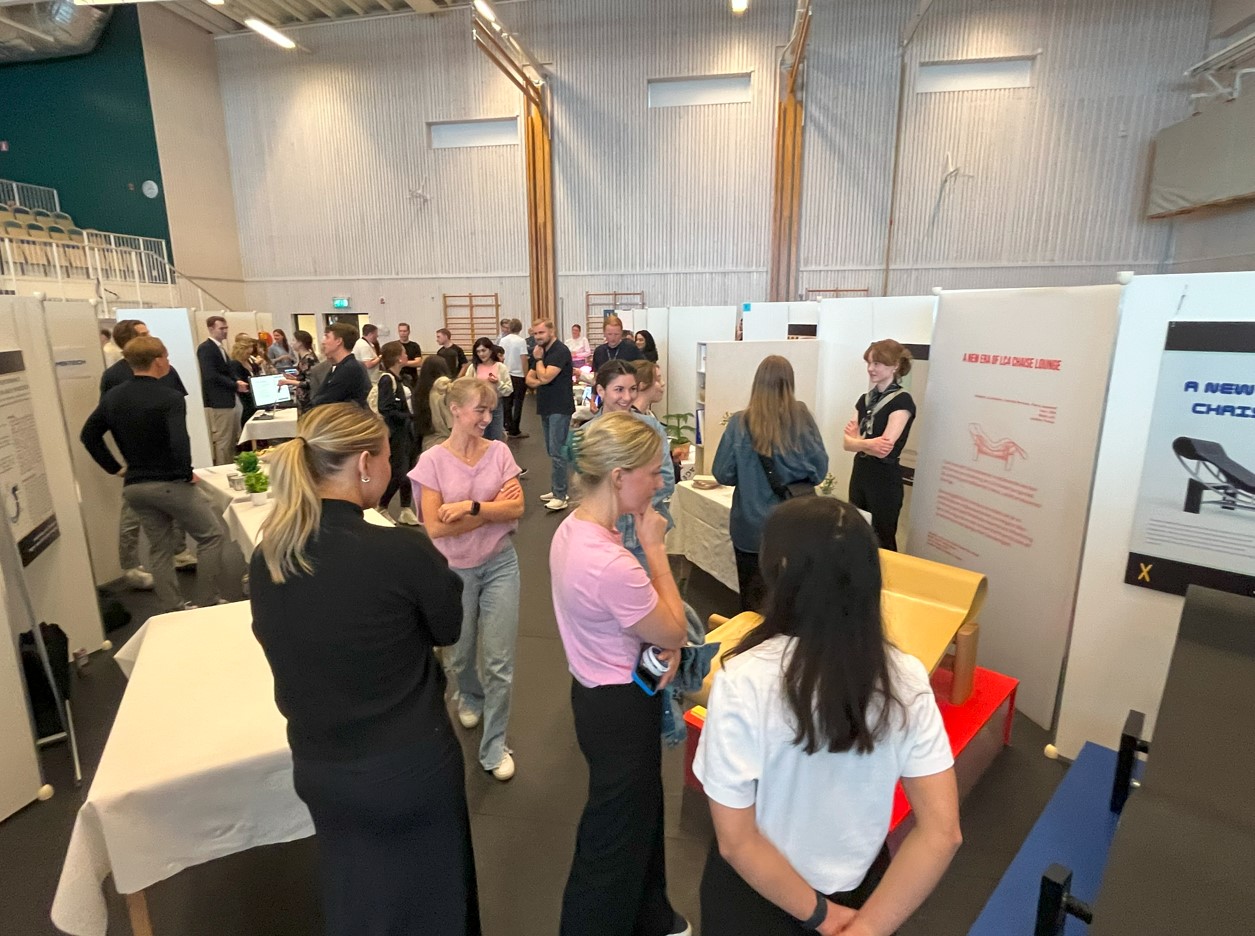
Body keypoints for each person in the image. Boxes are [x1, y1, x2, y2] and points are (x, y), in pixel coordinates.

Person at [249, 403, 478, 936]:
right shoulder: (401, 552)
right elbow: (447, 628)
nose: (393, 466)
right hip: (409, 765)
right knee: (437, 903)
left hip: (319, 767)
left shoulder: (270, 558)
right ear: (364, 464)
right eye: (388, 456)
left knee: (355, 898)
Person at [693, 498, 961, 936]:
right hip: (862, 894)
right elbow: (942, 832)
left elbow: (737, 841)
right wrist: (867, 927)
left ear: (780, 571)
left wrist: (823, 916)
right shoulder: (905, 676)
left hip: (758, 898)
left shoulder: (744, 678)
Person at [550, 412, 692, 936]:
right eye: (652, 473)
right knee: (612, 837)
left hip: (598, 695)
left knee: (641, 813)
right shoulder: (613, 563)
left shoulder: (573, 531)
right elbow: (675, 629)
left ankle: (653, 915)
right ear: (618, 477)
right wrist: (654, 547)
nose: (658, 484)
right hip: (620, 708)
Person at [411, 378, 524, 782]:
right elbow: (436, 528)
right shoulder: (432, 462)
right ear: (455, 409)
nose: (488, 418)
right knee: (459, 656)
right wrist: (494, 510)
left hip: (501, 564)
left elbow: (518, 507)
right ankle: (470, 694)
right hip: (454, 571)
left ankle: (494, 746)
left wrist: (470, 507)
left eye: (491, 410)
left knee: (499, 662)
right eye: (481, 409)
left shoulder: (499, 452)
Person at [81, 336, 225, 612]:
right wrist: (185, 473)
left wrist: (115, 468)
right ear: (158, 361)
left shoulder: (113, 397)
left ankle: (174, 607)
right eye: (166, 357)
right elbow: (179, 441)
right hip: (169, 482)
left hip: (136, 486)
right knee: (211, 536)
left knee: (159, 548)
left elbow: (89, 436)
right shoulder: (170, 397)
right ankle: (208, 600)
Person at [711, 355, 828, 613]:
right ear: (790, 383)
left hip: (750, 529)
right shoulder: (802, 419)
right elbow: (819, 471)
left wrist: (747, 474)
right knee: (792, 602)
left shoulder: (739, 423)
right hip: (795, 525)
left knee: (753, 604)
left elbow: (722, 473)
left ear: (756, 383)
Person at [100, 319, 196, 586]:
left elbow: (177, 405)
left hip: (168, 452)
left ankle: (179, 551)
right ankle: (130, 565)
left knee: (177, 506)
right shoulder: (113, 376)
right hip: (139, 456)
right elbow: (105, 418)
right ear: (127, 340)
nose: (149, 336)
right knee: (132, 514)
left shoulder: (166, 369)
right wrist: (117, 465)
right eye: (143, 333)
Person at [590, 361, 676, 574]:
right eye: (619, 389)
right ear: (601, 390)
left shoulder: (650, 428)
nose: (627, 397)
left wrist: (624, 503)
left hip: (644, 536)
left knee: (652, 588)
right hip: (604, 536)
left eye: (633, 389)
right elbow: (586, 489)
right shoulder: (587, 435)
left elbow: (666, 478)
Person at [843, 340, 917, 552]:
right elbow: (846, 444)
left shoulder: (902, 401)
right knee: (857, 532)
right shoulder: (864, 400)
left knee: (883, 538)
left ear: (895, 366)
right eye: (869, 363)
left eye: (877, 363)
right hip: (860, 473)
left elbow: (884, 449)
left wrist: (858, 442)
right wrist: (867, 443)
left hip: (884, 479)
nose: (871, 368)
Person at [525, 319, 575, 512]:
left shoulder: (559, 351)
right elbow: (530, 379)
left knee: (557, 452)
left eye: (541, 333)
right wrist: (541, 379)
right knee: (551, 450)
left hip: (559, 407)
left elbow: (545, 377)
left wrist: (539, 364)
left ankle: (561, 495)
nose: (538, 337)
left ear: (551, 331)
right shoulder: (540, 351)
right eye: (535, 333)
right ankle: (557, 489)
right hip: (546, 406)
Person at [377, 341, 420, 526]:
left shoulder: (402, 378)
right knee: (399, 472)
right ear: (396, 358)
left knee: (410, 471)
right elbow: (385, 408)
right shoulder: (387, 379)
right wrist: (408, 416)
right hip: (397, 432)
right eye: (403, 353)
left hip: (408, 430)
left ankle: (406, 508)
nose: (406, 355)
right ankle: (382, 506)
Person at [197, 315, 249, 465]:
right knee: (224, 441)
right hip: (220, 400)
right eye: (221, 328)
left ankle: (229, 466)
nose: (225, 331)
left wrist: (236, 381)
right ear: (211, 329)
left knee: (231, 440)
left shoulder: (220, 348)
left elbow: (227, 371)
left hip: (229, 399)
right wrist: (234, 385)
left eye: (226, 328)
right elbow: (211, 375)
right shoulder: (206, 348)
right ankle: (222, 469)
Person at [311, 323, 372, 409]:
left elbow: (328, 399)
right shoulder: (340, 367)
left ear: (338, 341)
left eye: (327, 337)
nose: (323, 342)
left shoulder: (350, 369)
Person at [468, 337, 511, 443]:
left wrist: (498, 383)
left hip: (495, 405)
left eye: (484, 350)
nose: (481, 354)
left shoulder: (501, 367)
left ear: (491, 350)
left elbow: (509, 390)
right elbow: (466, 386)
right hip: (477, 406)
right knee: (479, 438)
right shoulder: (473, 367)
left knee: (496, 438)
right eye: (478, 351)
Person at [416, 355, 454, 452]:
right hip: (447, 443)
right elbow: (451, 423)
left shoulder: (420, 393)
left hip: (427, 442)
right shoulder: (445, 391)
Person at [499, 319, 529, 439]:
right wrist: (526, 375)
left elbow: (500, 357)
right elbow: (523, 359)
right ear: (520, 328)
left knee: (507, 402)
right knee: (518, 403)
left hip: (506, 373)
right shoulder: (521, 341)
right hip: (519, 375)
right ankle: (515, 430)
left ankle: (507, 426)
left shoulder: (503, 340)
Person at [280, 329, 321, 413]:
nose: (291, 343)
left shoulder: (308, 359)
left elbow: (310, 382)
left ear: (300, 343)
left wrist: (288, 382)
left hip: (308, 401)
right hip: (303, 401)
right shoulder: (303, 359)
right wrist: (295, 379)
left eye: (293, 340)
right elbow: (305, 377)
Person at [397, 322, 422, 389]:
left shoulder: (415, 346)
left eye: (404, 331)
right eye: (400, 331)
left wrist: (403, 363)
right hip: (398, 377)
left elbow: (418, 362)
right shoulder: (395, 346)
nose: (402, 333)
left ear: (408, 332)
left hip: (412, 378)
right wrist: (410, 363)